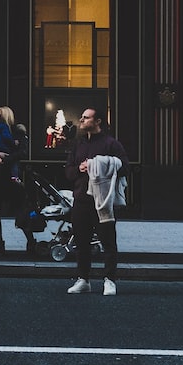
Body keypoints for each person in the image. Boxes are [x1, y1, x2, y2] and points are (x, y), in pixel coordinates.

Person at [65, 107, 129, 296]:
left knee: (108, 242)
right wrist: (81, 168)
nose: (81, 120)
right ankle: (83, 280)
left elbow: (124, 167)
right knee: (82, 242)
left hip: (104, 201)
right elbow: (68, 171)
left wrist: (100, 163)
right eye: (82, 117)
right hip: (81, 199)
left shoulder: (111, 144)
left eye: (86, 118)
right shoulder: (78, 144)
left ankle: (109, 280)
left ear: (98, 121)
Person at [0, 105, 35, 254]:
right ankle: (0, 242)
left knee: (19, 209)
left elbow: (22, 152)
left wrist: (5, 159)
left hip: (9, 173)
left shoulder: (17, 131)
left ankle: (30, 239)